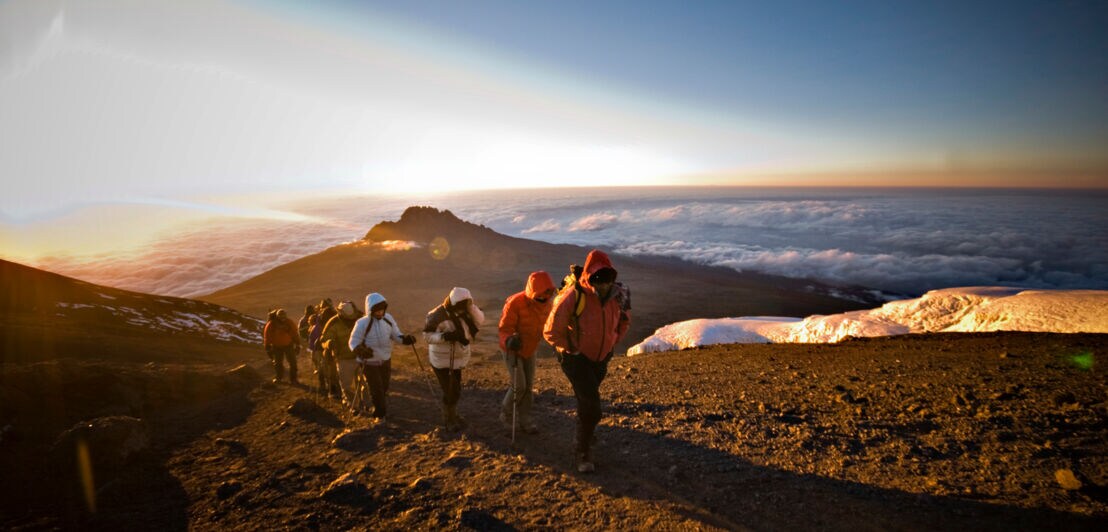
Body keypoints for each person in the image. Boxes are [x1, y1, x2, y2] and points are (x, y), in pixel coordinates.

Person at [543, 249, 631, 473]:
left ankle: (586, 435)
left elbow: (624, 321)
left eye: (607, 279)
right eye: (598, 280)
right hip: (576, 359)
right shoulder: (575, 295)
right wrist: (572, 349)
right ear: (590, 276)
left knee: (588, 402)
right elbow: (551, 331)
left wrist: (611, 344)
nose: (603, 285)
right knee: (592, 407)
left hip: (601, 358)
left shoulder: (619, 294)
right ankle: (581, 452)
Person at [498, 271, 556, 434]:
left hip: (530, 348)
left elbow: (549, 328)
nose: (544, 299)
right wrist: (509, 340)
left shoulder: (549, 305)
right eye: (540, 295)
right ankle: (506, 414)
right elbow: (504, 329)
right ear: (533, 292)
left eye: (547, 294)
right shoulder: (515, 302)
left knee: (528, 387)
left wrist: (558, 344)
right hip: (512, 348)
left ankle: (525, 419)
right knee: (519, 385)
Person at [423, 287, 485, 431]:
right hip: (441, 360)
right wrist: (445, 337)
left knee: (455, 390)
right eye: (461, 306)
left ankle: (453, 415)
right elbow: (427, 336)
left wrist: (471, 306)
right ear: (454, 304)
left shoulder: (467, 311)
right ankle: (449, 420)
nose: (463, 309)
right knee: (450, 390)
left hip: (457, 359)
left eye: (465, 305)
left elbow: (481, 320)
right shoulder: (437, 315)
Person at [348, 293, 416, 419]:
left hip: (385, 360)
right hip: (368, 362)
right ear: (370, 310)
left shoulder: (388, 319)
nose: (380, 313)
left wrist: (405, 339)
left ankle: (379, 408)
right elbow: (353, 341)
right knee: (377, 389)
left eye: (382, 310)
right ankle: (379, 414)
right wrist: (360, 350)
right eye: (377, 311)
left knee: (384, 387)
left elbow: (395, 334)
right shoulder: (362, 323)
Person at [320, 301, 359, 408]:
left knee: (364, 383)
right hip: (343, 358)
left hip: (360, 356)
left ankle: (366, 404)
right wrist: (328, 343)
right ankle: (352, 404)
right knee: (346, 385)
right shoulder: (333, 323)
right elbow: (324, 339)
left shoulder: (360, 318)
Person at [263, 308, 301, 385]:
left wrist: (297, 344)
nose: (282, 318)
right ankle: (279, 378)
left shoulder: (289, 322)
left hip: (288, 345)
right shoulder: (271, 324)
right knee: (278, 363)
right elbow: (267, 336)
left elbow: (295, 333)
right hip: (277, 346)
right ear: (277, 317)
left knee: (292, 362)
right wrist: (267, 346)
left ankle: (293, 379)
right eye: (281, 317)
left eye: (284, 316)